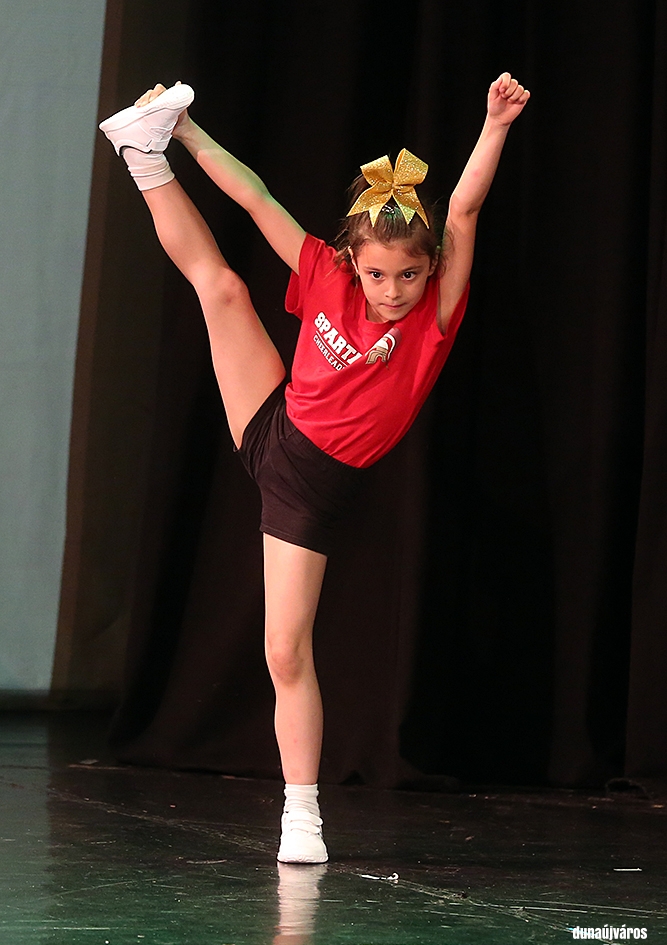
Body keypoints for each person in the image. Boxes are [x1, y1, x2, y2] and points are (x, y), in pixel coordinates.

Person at [99, 72, 530, 864]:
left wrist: (494, 125)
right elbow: (256, 198)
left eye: (409, 275)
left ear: (430, 269)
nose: (392, 291)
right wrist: (187, 129)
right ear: (351, 261)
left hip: (309, 488)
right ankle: (143, 151)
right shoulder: (326, 274)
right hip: (274, 422)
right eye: (377, 275)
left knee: (283, 650)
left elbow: (463, 210)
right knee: (221, 286)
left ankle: (301, 815)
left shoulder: (433, 317)